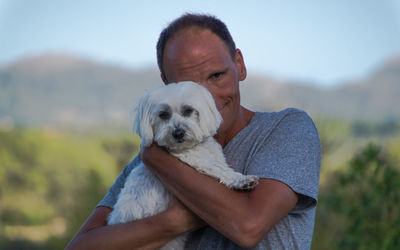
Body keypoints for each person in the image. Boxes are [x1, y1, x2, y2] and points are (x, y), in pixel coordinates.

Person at [66, 13, 321, 250]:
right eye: (188, 85)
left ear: (240, 66)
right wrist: (174, 221)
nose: (205, 96)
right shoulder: (150, 158)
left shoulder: (285, 130)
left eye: (217, 76)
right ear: (167, 85)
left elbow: (248, 227)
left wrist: (156, 159)